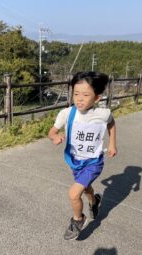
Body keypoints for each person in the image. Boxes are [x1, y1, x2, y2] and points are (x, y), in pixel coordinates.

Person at [48, 71, 117, 240]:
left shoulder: (103, 114)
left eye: (86, 95)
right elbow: (52, 131)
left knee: (73, 193)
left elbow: (112, 124)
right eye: (76, 94)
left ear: (97, 98)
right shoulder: (67, 114)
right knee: (86, 188)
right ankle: (94, 202)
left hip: (93, 162)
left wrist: (112, 143)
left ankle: (78, 219)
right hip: (75, 161)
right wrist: (55, 136)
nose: (79, 98)